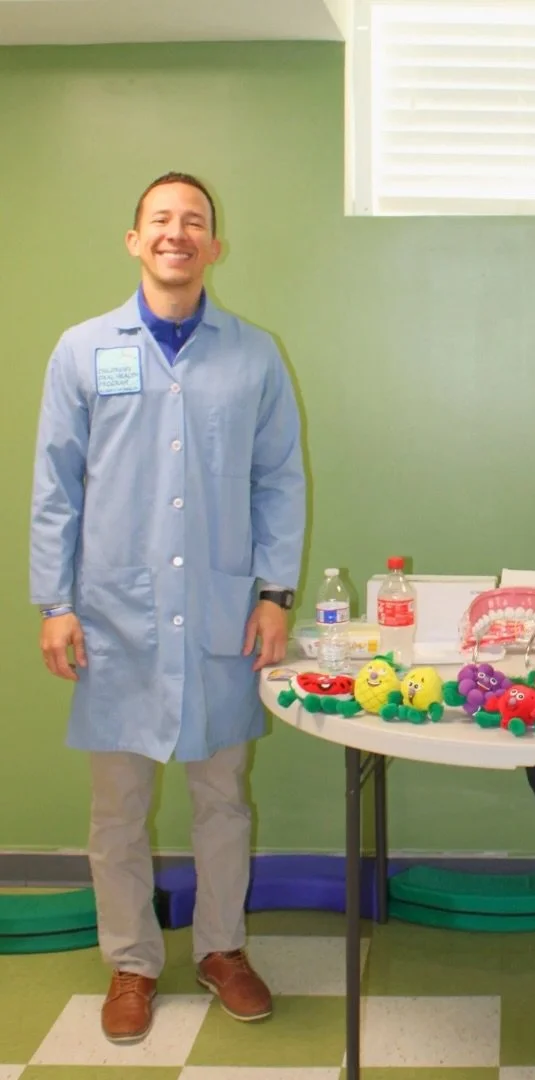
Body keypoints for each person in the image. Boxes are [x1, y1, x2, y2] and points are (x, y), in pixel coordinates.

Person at [29, 172, 307, 1044]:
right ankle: (132, 962)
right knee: (118, 809)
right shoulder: (82, 350)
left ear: (214, 247)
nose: (176, 233)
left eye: (194, 222)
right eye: (161, 220)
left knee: (222, 796)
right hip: (114, 617)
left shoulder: (254, 355)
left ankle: (222, 949)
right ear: (134, 240)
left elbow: (278, 482)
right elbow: (56, 487)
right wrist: (55, 602)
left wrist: (275, 595)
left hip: (222, 613)